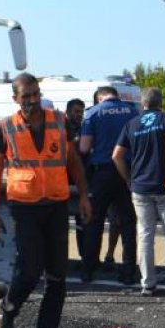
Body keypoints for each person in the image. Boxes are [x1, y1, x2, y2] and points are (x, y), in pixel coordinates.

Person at [0, 73, 92, 328]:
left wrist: (83, 196)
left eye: (35, 94)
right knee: (30, 270)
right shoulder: (7, 127)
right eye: (26, 96)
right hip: (24, 208)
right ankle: (8, 308)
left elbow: (74, 162)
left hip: (57, 205)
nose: (32, 100)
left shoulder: (59, 121)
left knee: (58, 275)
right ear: (16, 99)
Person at [113, 87, 165, 295]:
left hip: (140, 187)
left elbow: (116, 156)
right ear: (160, 102)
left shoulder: (132, 124)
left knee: (145, 235)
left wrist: (129, 180)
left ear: (142, 104)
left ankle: (147, 283)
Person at [78, 86, 139, 284]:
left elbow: (84, 147)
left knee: (94, 222)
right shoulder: (132, 111)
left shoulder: (93, 113)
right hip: (127, 173)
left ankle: (88, 270)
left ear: (99, 98)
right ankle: (129, 271)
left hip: (102, 173)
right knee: (128, 223)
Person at [65, 98, 88, 264]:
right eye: (76, 111)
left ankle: (84, 258)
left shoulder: (84, 129)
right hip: (62, 182)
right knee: (60, 226)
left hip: (79, 182)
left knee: (83, 224)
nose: (79, 115)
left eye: (81, 111)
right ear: (68, 112)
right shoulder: (61, 129)